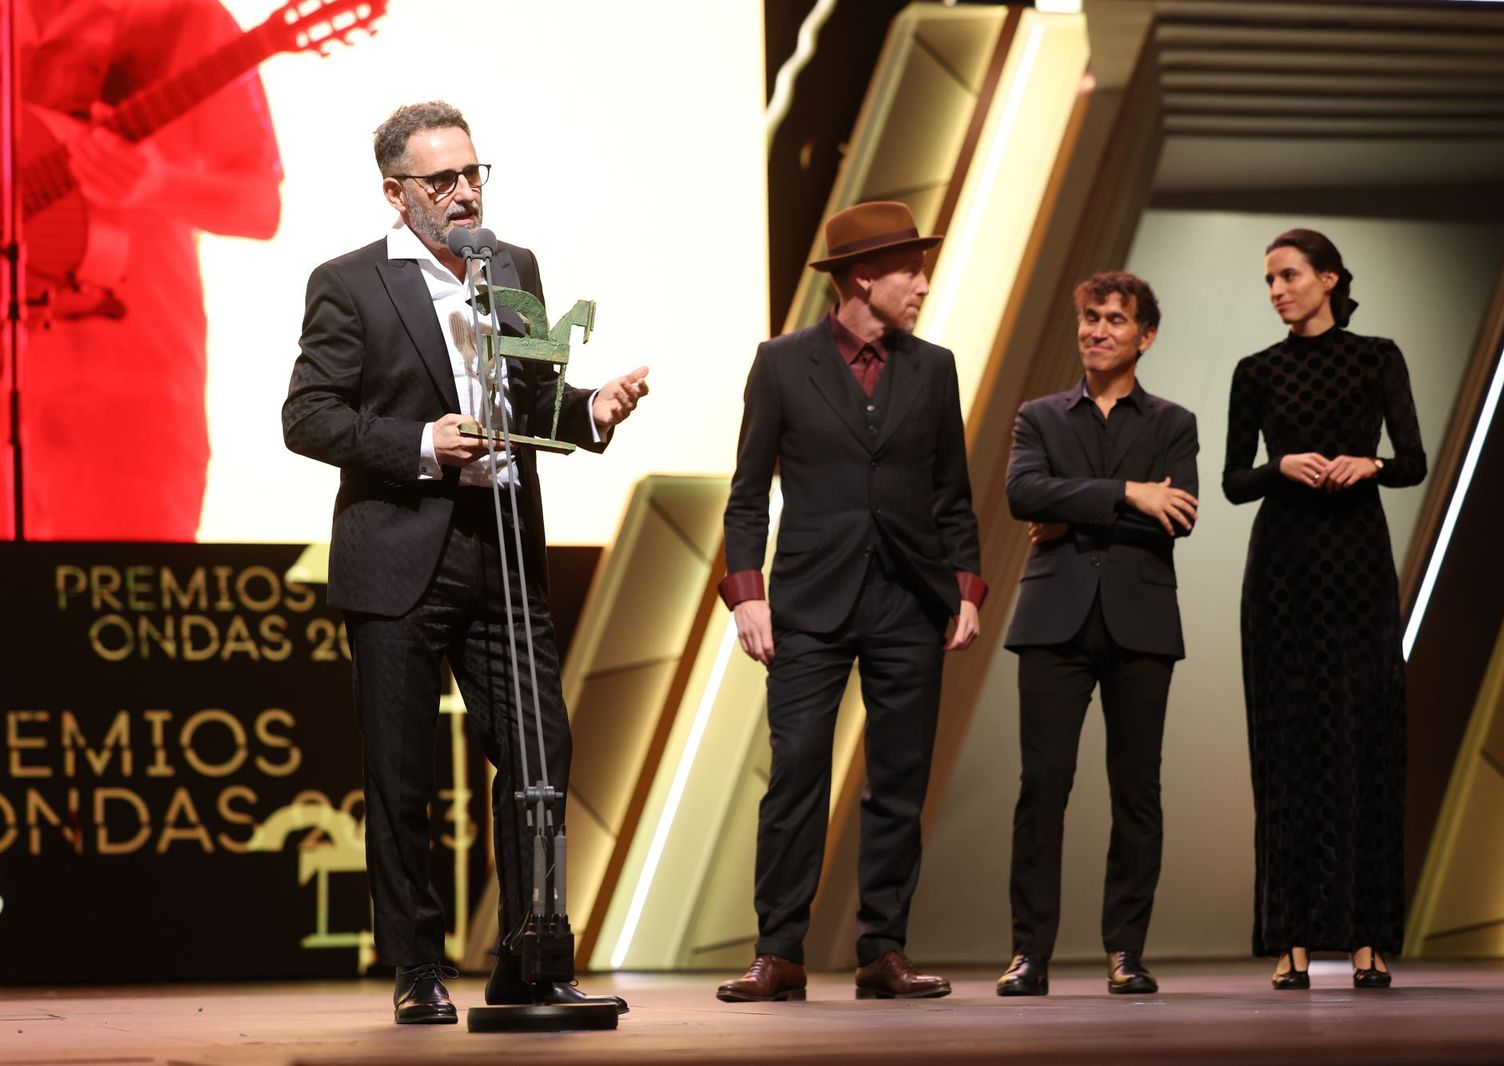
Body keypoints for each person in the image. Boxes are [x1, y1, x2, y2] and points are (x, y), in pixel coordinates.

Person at [282, 101, 648, 1025]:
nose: (463, 192)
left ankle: (534, 959)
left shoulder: (510, 267)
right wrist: (419, 441)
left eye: (474, 173)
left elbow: (531, 398)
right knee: (402, 775)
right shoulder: (351, 283)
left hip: (507, 554)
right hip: (401, 554)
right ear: (397, 194)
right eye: (441, 180)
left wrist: (588, 414)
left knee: (539, 755)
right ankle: (415, 968)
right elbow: (308, 416)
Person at [715, 201, 985, 1003]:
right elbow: (746, 496)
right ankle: (780, 951)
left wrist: (965, 589)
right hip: (809, 600)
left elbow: (953, 494)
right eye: (912, 270)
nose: (925, 285)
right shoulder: (781, 363)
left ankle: (883, 949)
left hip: (909, 599)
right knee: (796, 767)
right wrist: (746, 595)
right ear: (864, 277)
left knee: (898, 777)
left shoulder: (932, 367)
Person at [1223, 229, 1425, 990]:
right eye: (1268, 278)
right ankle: (1292, 940)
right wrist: (1281, 465)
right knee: (1287, 749)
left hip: (1358, 568)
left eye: (1288, 275)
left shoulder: (1377, 356)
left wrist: (1368, 462)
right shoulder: (1257, 371)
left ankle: (1369, 937)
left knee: (1368, 743)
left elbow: (1413, 461)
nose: (1276, 290)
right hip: (1281, 575)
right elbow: (1234, 482)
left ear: (1329, 279)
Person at [996, 272, 1198, 998]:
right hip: (1054, 620)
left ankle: (1126, 952)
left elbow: (1180, 512)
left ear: (1144, 335)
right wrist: (1127, 494)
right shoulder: (1040, 416)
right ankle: (1029, 954)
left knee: (1136, 789)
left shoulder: (1173, 422)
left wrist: (1071, 511)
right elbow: (1022, 492)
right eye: (1089, 317)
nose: (1097, 330)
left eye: (1114, 319)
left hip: (1140, 621)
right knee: (1042, 787)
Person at [17, 0, 282, 539]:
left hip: (130, 388)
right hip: (18, 373)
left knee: (125, 606)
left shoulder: (188, 19)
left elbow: (260, 207)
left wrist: (158, 184)